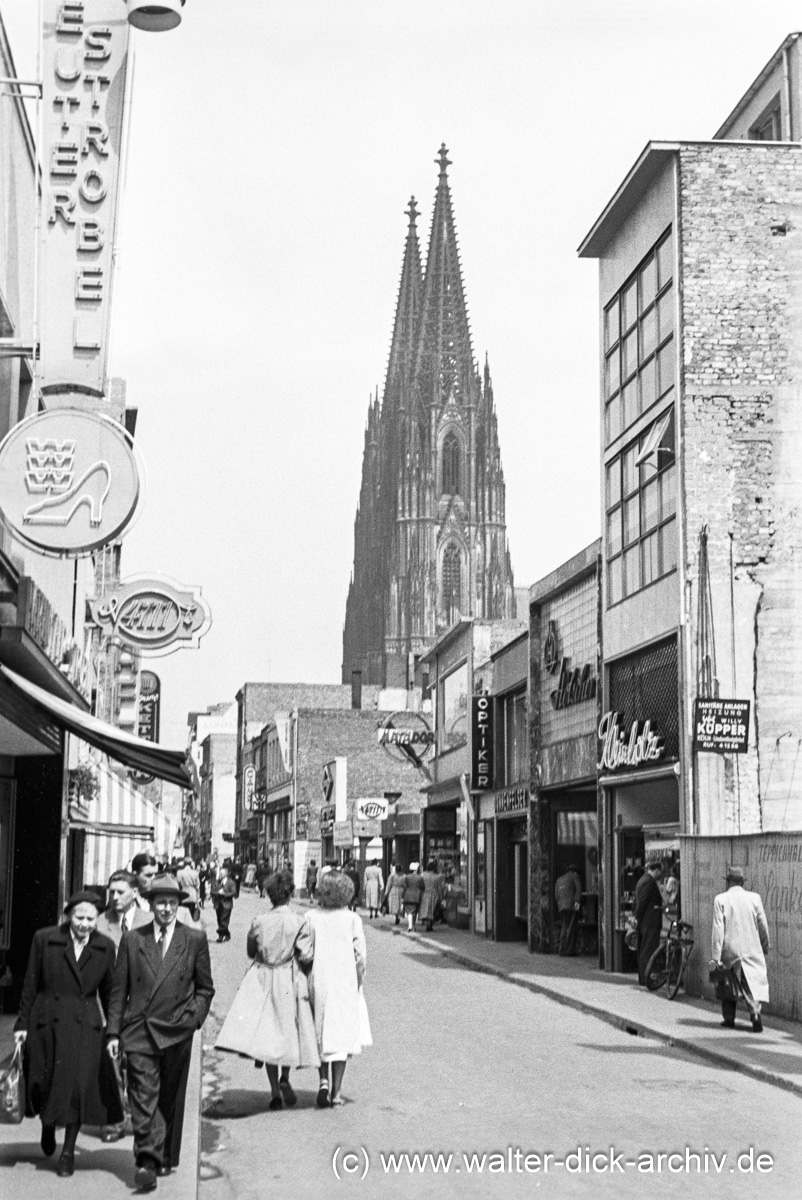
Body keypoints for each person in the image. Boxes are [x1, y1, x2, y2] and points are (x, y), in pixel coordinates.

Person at [106, 874, 214, 1192]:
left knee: (168, 1096)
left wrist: (194, 1018)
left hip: (177, 1030)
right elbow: (118, 991)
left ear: (179, 905)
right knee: (143, 1095)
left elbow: (205, 988)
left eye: (171, 902)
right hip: (139, 1028)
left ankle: (164, 1154)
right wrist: (114, 1032)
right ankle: (146, 1162)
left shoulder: (193, 939)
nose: (166, 908)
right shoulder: (133, 939)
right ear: (150, 904)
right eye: (160, 902)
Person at [13, 891, 123, 1177]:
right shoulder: (45, 939)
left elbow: (110, 995)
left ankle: (67, 1152)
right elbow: (30, 984)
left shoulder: (105, 947)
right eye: (79, 918)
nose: (85, 924)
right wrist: (21, 1025)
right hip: (46, 1021)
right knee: (43, 1083)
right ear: (67, 915)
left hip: (85, 1026)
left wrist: (113, 1034)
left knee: (77, 1090)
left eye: (90, 919)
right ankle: (47, 1126)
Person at [215, 869, 319, 1108]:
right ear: (291, 893)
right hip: (288, 978)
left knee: (268, 1034)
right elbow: (306, 955)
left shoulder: (259, 921)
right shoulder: (299, 921)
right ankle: (285, 1077)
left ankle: (274, 1091)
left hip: (262, 978)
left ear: (270, 895)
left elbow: (251, 952)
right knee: (288, 1031)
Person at [295, 871, 371, 1107]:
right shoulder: (352, 919)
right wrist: (359, 980)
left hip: (319, 979)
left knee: (321, 1032)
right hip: (345, 981)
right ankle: (336, 1093)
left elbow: (304, 952)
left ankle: (323, 1082)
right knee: (342, 1037)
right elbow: (360, 956)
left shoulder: (310, 916)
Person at [96, 869, 153, 1143]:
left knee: (139, 1063)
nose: (114, 897)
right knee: (111, 1062)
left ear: (134, 893)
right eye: (111, 892)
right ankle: (115, 1119)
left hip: (142, 1005)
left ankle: (138, 1116)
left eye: (120, 892)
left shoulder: (149, 921)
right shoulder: (98, 923)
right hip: (108, 1004)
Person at [712, 866, 770, 1032]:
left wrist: (715, 957)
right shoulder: (754, 898)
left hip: (730, 948)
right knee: (751, 983)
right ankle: (755, 1014)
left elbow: (718, 930)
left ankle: (729, 1019)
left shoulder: (720, 899)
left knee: (727, 981)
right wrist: (765, 945)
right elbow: (763, 925)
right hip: (751, 947)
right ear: (742, 883)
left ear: (728, 882)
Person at [633, 860, 664, 985]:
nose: (660, 874)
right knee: (648, 949)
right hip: (649, 921)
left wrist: (636, 918)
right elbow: (642, 902)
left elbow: (638, 901)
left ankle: (644, 977)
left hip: (645, 921)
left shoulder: (643, 879)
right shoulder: (649, 882)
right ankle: (647, 978)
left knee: (644, 949)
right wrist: (637, 917)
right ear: (656, 871)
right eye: (660, 872)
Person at [554, 864, 583, 956]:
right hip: (571, 905)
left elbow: (556, 895)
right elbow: (579, 889)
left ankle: (562, 949)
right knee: (571, 927)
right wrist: (577, 902)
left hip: (562, 906)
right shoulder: (574, 876)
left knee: (564, 926)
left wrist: (560, 904)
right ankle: (569, 951)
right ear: (575, 871)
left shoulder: (559, 879)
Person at [211, 863, 237, 941]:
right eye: (220, 873)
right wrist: (218, 893)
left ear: (226, 874)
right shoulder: (217, 882)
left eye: (222, 873)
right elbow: (212, 891)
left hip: (227, 904)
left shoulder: (231, 882)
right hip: (218, 904)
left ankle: (220, 936)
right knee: (219, 919)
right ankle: (227, 934)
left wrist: (224, 894)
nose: (220, 875)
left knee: (224, 920)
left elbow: (234, 893)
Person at [418, 860, 445, 932]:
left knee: (426, 909)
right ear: (434, 868)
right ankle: (430, 925)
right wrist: (441, 898)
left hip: (425, 893)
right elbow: (439, 888)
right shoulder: (437, 877)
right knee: (432, 909)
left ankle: (427, 924)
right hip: (434, 893)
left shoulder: (423, 875)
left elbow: (420, 885)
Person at [401, 862, 425, 932]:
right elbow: (423, 887)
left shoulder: (406, 877)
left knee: (409, 911)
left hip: (408, 895)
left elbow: (404, 886)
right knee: (415, 911)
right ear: (416, 869)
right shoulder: (420, 877)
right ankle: (413, 925)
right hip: (417, 896)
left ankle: (410, 925)